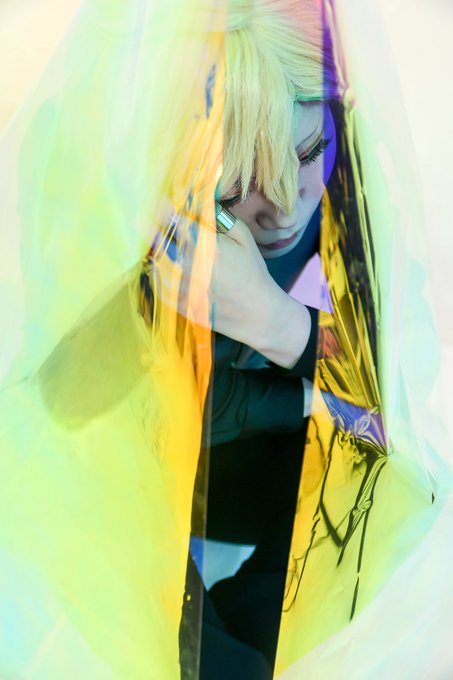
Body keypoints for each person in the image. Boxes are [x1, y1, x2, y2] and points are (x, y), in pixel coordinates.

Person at [179, 1, 338, 677]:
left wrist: (276, 323)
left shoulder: (366, 167)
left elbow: (413, 393)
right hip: (155, 479)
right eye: (239, 186)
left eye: (307, 153)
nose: (284, 206)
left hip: (273, 470)